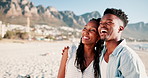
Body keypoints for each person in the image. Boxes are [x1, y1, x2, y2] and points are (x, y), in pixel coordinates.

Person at [98, 8, 147, 78]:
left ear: (120, 28)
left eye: (108, 22)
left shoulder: (127, 57)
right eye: (101, 23)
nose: (102, 26)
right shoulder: (101, 53)